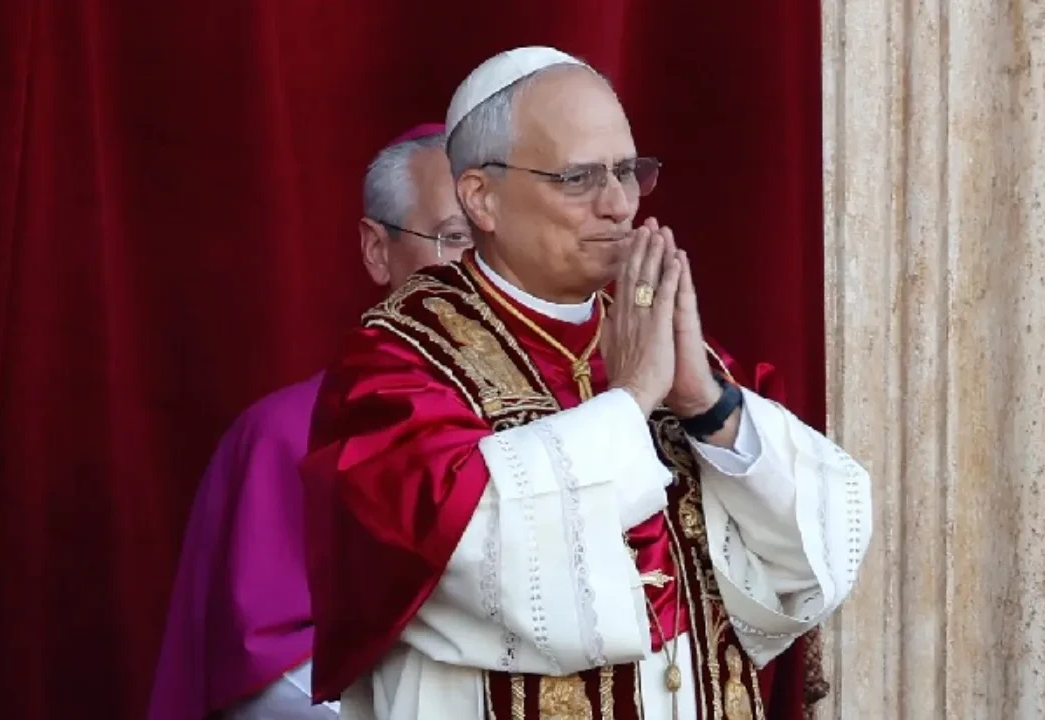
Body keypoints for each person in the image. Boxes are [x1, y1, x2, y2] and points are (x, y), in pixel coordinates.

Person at [302, 46, 873, 720]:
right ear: (481, 197)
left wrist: (706, 406)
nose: (617, 204)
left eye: (628, 172)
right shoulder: (402, 359)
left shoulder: (665, 342)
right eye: (578, 179)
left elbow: (818, 559)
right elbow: (471, 558)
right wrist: (629, 403)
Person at [147, 123, 472, 720]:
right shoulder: (284, 437)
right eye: (454, 237)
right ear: (378, 250)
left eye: (499, 240)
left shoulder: (573, 418)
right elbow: (263, 680)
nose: (482, 267)